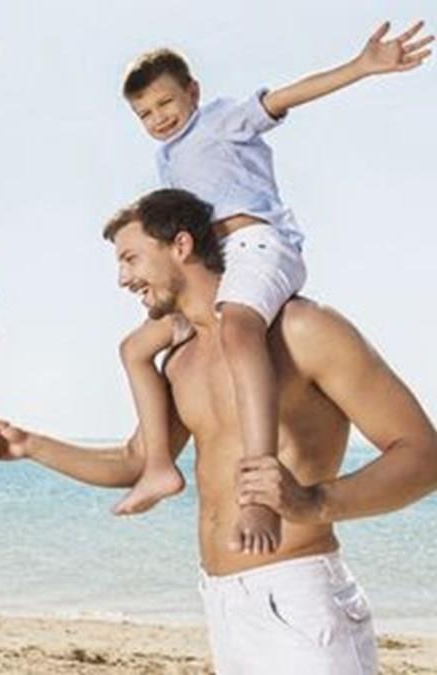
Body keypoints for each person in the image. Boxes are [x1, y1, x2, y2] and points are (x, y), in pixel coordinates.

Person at [0, 188, 437, 673]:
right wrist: (31, 446)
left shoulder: (303, 329)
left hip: (299, 597)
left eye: (131, 259)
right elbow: (138, 462)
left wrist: (314, 502)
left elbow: (423, 455)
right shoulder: (181, 360)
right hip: (222, 602)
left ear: (181, 246)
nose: (122, 279)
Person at [112, 21, 434, 561]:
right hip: (216, 265)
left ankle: (258, 486)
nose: (158, 118)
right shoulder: (166, 157)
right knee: (136, 348)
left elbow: (286, 97)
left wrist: (362, 66)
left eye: (166, 103)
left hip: (257, 244)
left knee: (239, 331)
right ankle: (160, 468)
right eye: (144, 114)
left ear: (192, 91)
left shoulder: (221, 120)